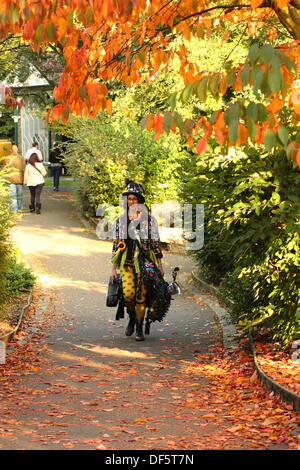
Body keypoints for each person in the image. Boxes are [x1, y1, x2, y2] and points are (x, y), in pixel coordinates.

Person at [111, 180, 167, 342]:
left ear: (140, 201)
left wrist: (159, 265)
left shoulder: (149, 220)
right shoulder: (121, 220)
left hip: (145, 263)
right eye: (129, 199)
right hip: (127, 262)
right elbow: (116, 244)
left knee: (141, 296)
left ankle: (139, 328)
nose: (131, 201)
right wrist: (113, 268)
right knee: (128, 296)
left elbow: (156, 242)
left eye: (134, 199)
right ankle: (132, 317)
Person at [0, 144, 25, 212]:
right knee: (19, 195)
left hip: (10, 179)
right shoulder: (21, 158)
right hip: (20, 179)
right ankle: (19, 208)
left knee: (13, 196)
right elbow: (24, 169)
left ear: (10, 150)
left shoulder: (6, 158)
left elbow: (3, 167)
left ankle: (14, 210)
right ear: (17, 150)